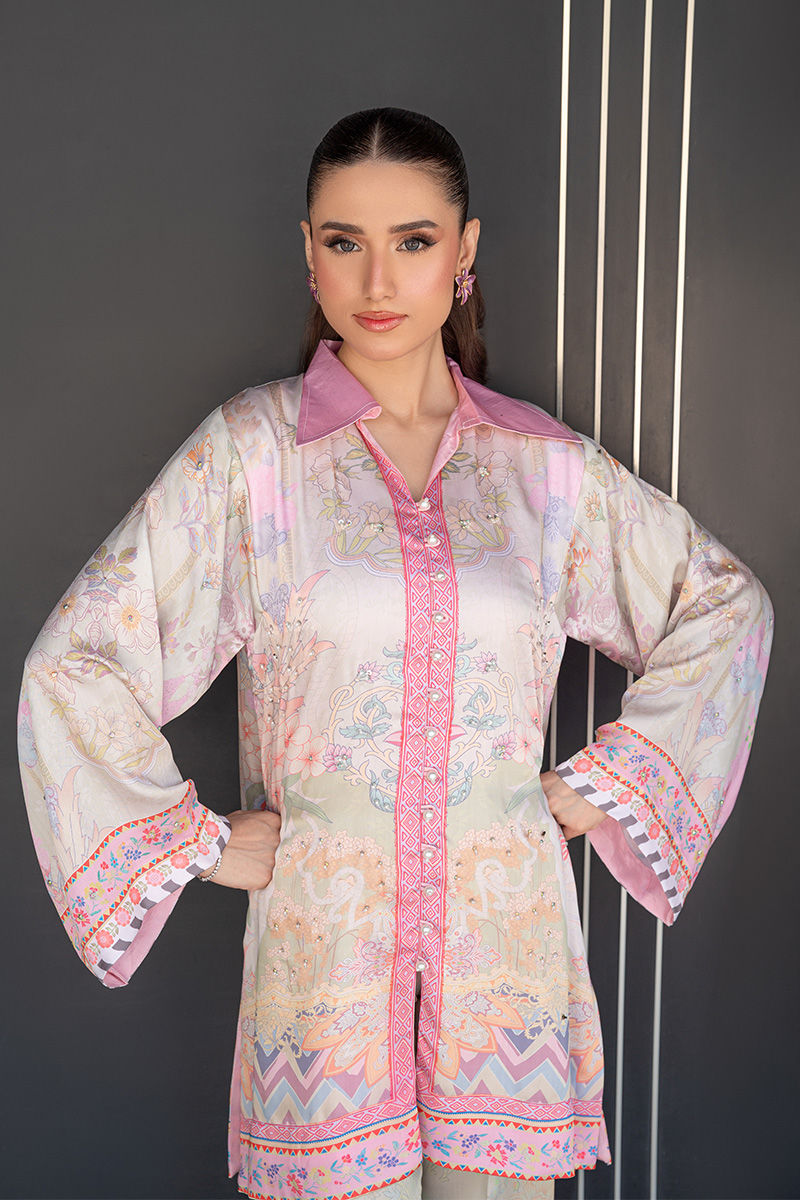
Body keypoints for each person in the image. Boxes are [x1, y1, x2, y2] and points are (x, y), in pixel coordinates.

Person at [17, 106, 773, 1200]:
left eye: (413, 240)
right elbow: (75, 660)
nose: (378, 279)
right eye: (344, 240)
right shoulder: (253, 458)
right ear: (308, 252)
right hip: (322, 981)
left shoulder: (541, 470)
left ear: (464, 252)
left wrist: (597, 786)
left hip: (504, 988)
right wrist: (201, 844)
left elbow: (723, 606)